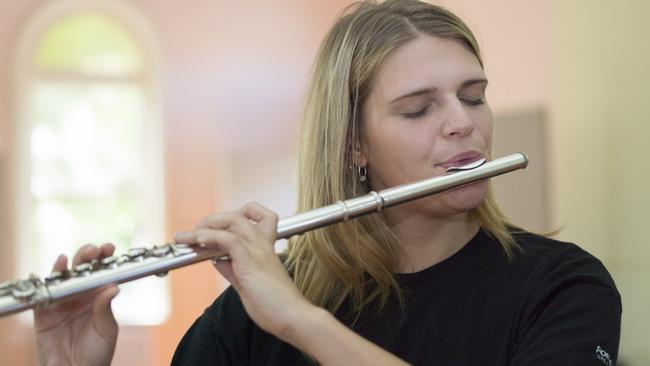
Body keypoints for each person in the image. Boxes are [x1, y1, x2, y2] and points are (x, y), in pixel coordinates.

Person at [33, 0, 622, 365]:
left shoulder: (564, 287)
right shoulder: (248, 314)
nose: (463, 122)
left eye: (473, 96)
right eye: (419, 109)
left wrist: (300, 321)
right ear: (353, 145)